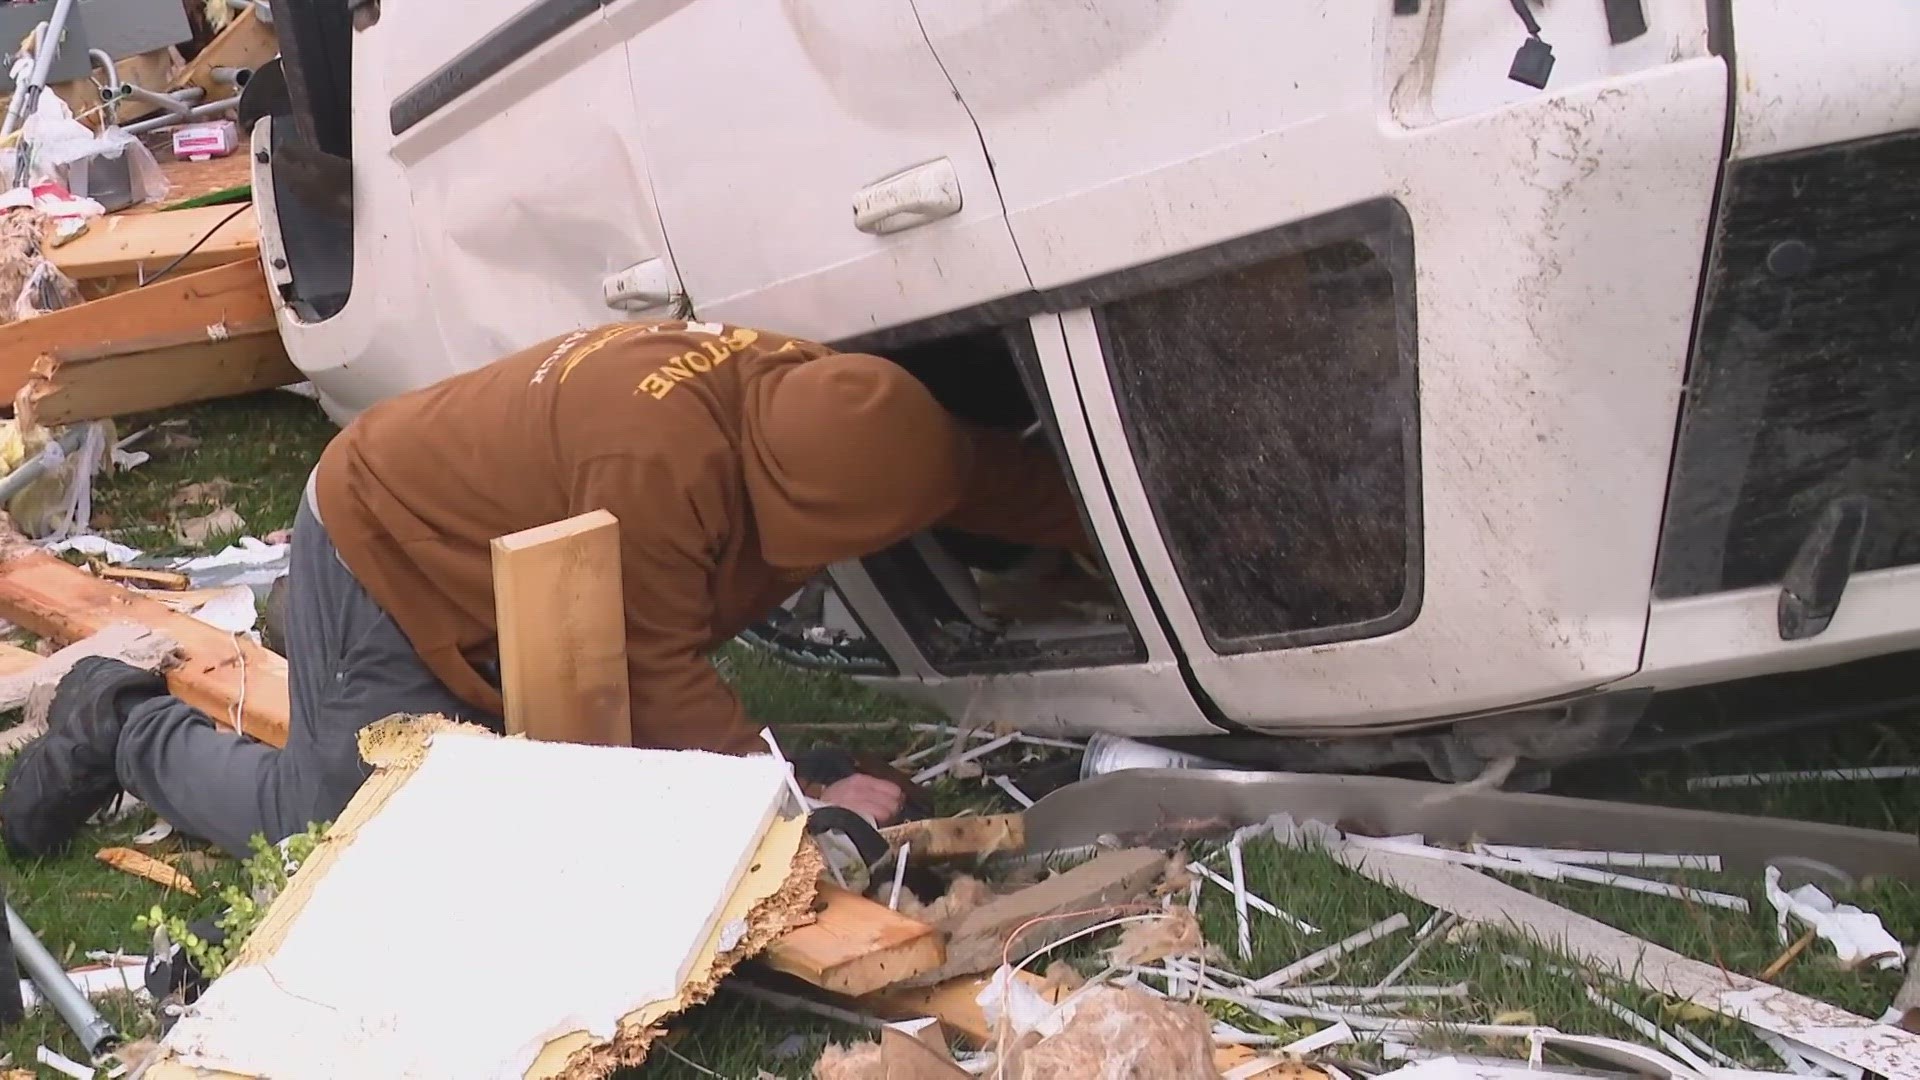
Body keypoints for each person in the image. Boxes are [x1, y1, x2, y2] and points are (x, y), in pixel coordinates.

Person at [0, 320, 1091, 859]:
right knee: (335, 822)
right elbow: (649, 671)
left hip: (497, 542)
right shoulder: (661, 472)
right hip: (384, 534)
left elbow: (980, 474)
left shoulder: (830, 400)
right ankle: (121, 721)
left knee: (512, 768)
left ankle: (339, 649)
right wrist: (794, 801)